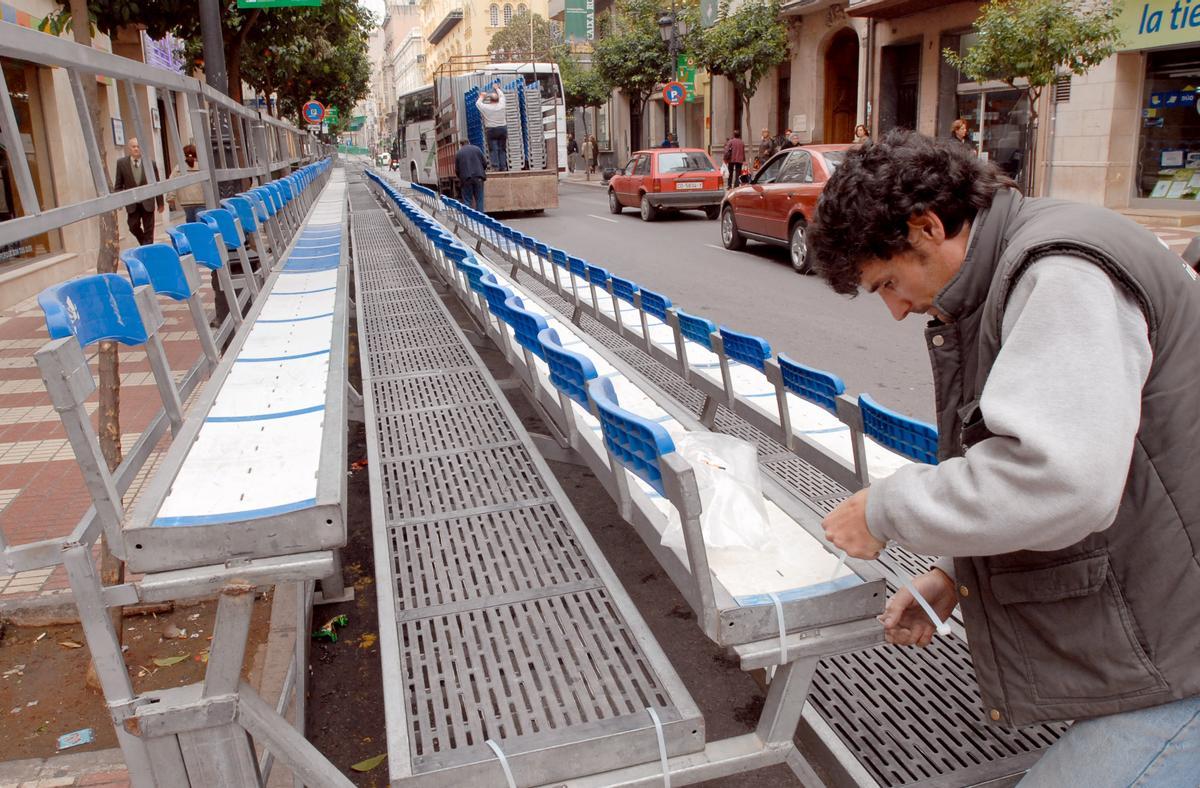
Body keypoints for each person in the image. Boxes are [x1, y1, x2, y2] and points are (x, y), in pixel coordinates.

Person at [808, 129, 1200, 785]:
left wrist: (887, 508)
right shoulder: (1023, 262)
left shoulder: (1062, 274)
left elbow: (1060, 480)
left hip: (1182, 642)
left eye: (888, 282)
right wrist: (957, 574)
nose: (897, 310)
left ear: (927, 226)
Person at [113, 137, 163, 246]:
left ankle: (148, 252)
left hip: (148, 202)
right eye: (133, 146)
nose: (136, 149)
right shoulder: (121, 163)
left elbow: (157, 184)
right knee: (133, 226)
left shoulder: (150, 163)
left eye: (138, 146)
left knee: (149, 230)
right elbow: (118, 185)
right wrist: (119, 201)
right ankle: (145, 243)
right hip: (132, 203)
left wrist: (160, 203)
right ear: (129, 148)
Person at [168, 143, 206, 223]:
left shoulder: (178, 168)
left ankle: (191, 234)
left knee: (190, 221)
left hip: (185, 201)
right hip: (202, 200)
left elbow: (172, 183)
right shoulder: (202, 166)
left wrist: (170, 198)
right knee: (200, 222)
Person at [476, 87, 508, 171]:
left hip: (491, 130)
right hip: (502, 129)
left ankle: (495, 167)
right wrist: (497, 88)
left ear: (490, 100)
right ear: (497, 100)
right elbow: (502, 96)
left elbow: (478, 104)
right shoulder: (502, 105)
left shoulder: (487, 107)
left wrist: (482, 96)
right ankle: (503, 166)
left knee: (493, 149)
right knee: (502, 148)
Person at [455, 138, 487, 212]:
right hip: (479, 177)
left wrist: (461, 177)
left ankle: (469, 219)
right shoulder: (477, 149)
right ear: (469, 142)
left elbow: (457, 170)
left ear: (461, 145)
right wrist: (481, 171)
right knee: (479, 199)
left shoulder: (459, 153)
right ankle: (480, 218)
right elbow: (484, 163)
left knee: (467, 200)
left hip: (466, 179)